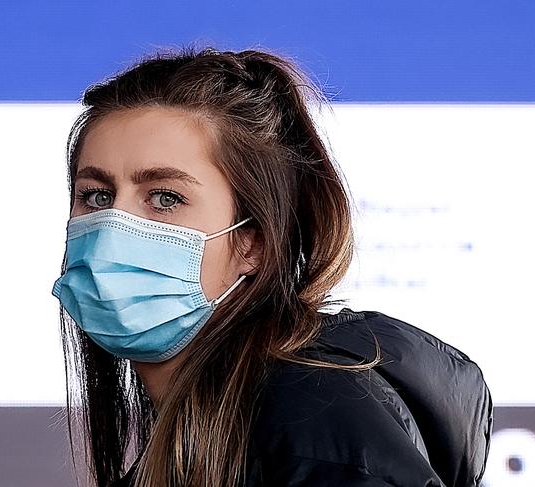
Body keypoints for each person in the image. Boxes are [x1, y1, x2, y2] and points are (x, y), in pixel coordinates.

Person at [51, 44, 493, 486]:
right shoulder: (208, 438)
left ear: (253, 243)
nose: (115, 226)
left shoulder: (311, 415)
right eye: (97, 196)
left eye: (166, 198)